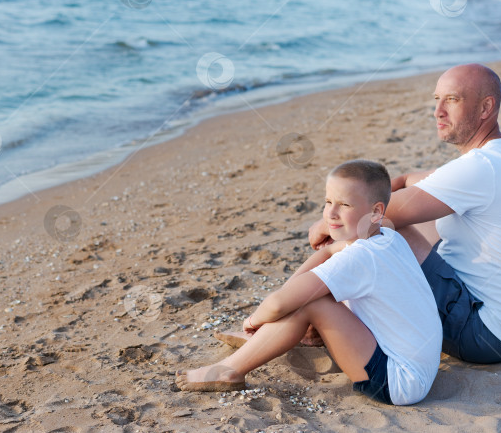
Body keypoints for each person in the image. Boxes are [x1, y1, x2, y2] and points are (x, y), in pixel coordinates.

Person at [308, 64, 501, 364]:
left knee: (387, 231)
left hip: (481, 333)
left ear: (486, 107)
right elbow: (408, 179)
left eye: (452, 100)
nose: (438, 112)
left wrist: (325, 223)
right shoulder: (496, 156)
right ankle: (320, 313)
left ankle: (309, 315)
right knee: (416, 221)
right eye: (437, 99)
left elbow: (370, 218)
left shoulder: (479, 168)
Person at [176, 160, 442, 406]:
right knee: (306, 294)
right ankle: (269, 338)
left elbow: (281, 302)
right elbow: (327, 252)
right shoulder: (387, 237)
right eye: (328, 201)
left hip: (397, 382)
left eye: (345, 205)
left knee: (309, 302)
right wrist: (287, 296)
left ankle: (230, 370)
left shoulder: (361, 257)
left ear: (375, 212)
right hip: (416, 368)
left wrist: (254, 321)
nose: (331, 214)